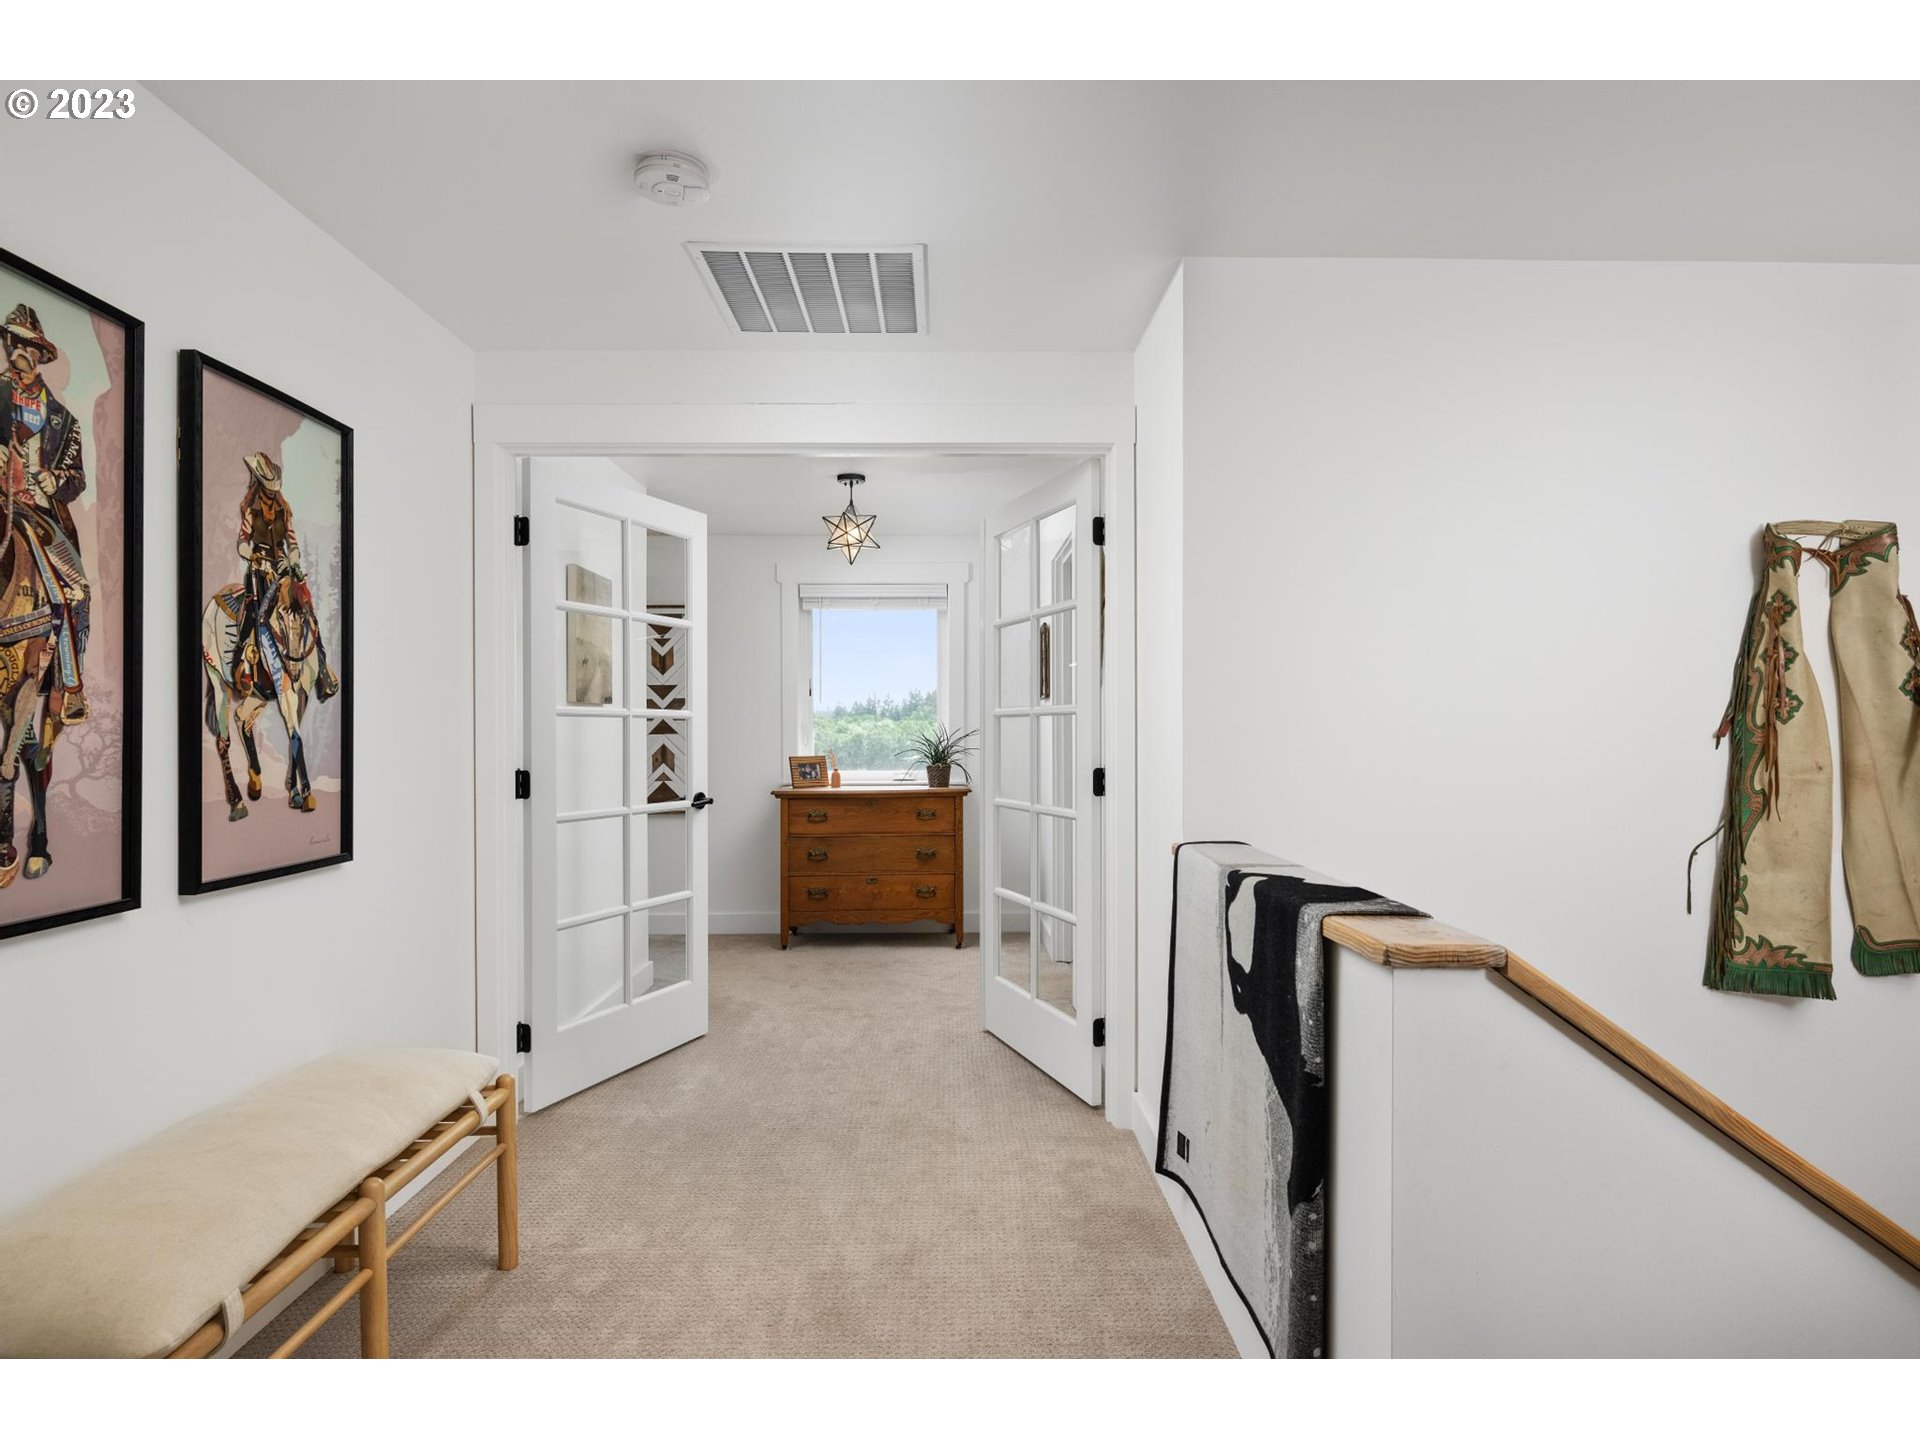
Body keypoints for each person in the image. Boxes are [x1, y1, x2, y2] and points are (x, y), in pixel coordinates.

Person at [0, 304, 90, 725]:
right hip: (0, 503)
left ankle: (68, 684)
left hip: (38, 514)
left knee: (77, 590)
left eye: (28, 346)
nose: (19, 352)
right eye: (14, 343)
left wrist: (54, 481)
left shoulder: (63, 420)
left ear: (41, 355)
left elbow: (77, 479)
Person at [233, 451, 338, 700]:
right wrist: (255, 557)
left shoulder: (284, 511)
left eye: (274, 489)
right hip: (260, 569)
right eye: (268, 489)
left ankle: (321, 667)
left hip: (282, 567)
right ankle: (241, 665)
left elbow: (292, 541)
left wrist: (294, 560)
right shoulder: (251, 512)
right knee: (252, 611)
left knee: (306, 605)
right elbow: (241, 544)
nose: (271, 493)